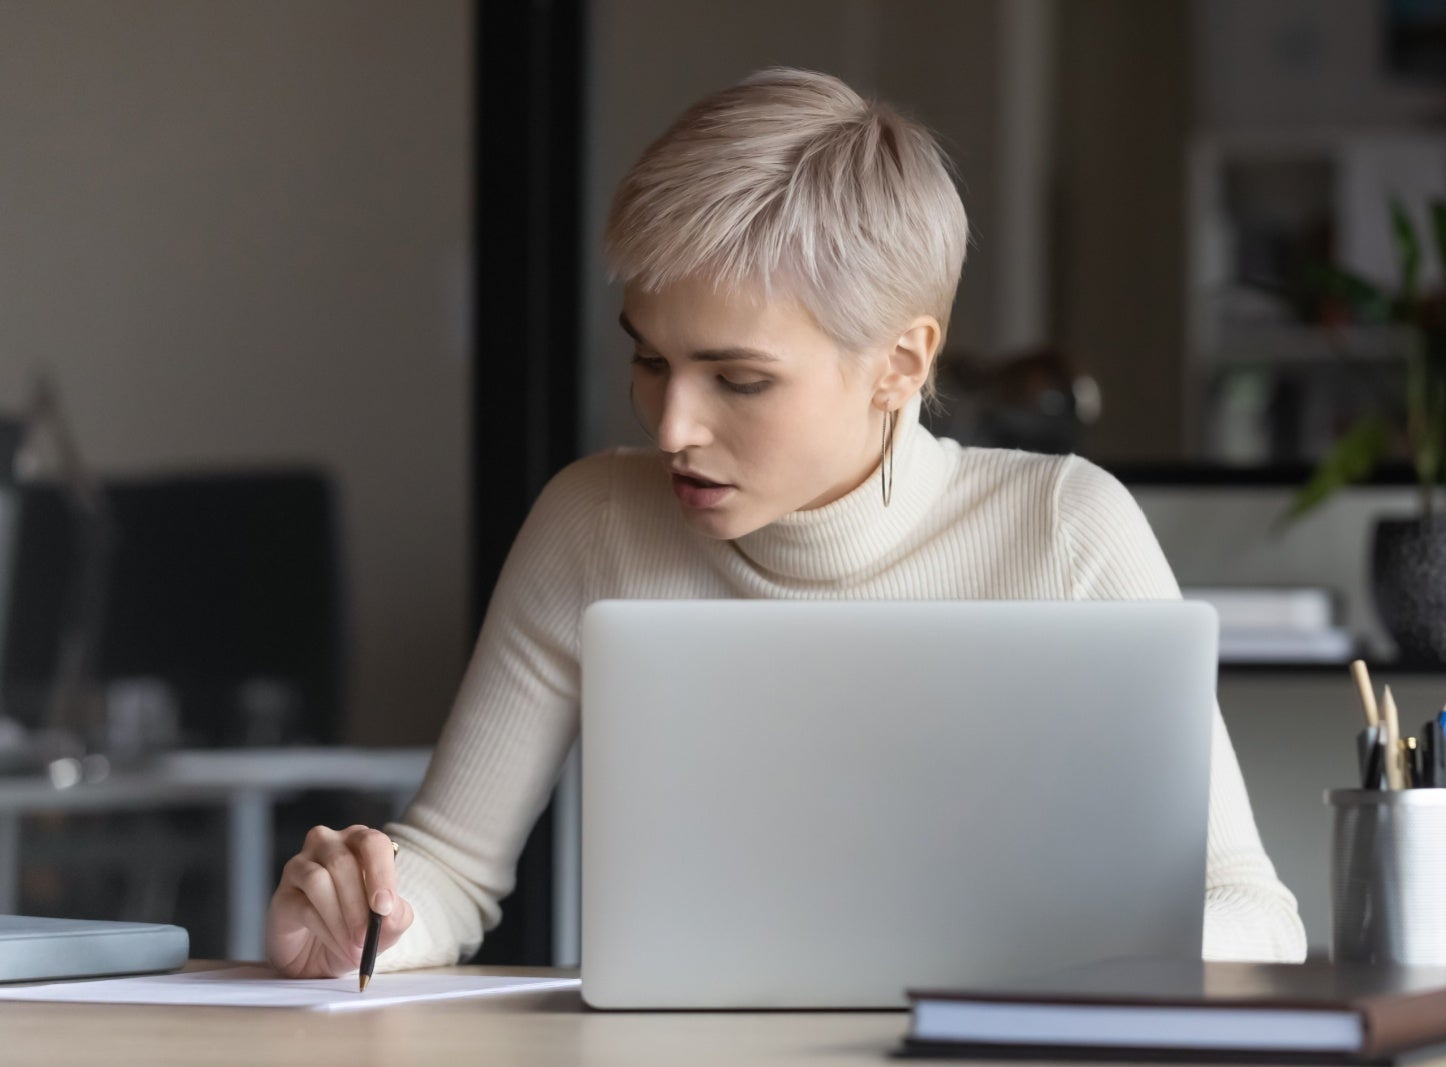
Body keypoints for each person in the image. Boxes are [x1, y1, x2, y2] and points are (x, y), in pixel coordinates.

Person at [265, 67, 1307, 979]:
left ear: (900, 363)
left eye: (740, 380)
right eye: (650, 359)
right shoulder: (592, 522)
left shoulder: (1063, 529)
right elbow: (449, 869)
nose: (672, 424)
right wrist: (364, 924)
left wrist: (1066, 963)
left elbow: (1254, 912)